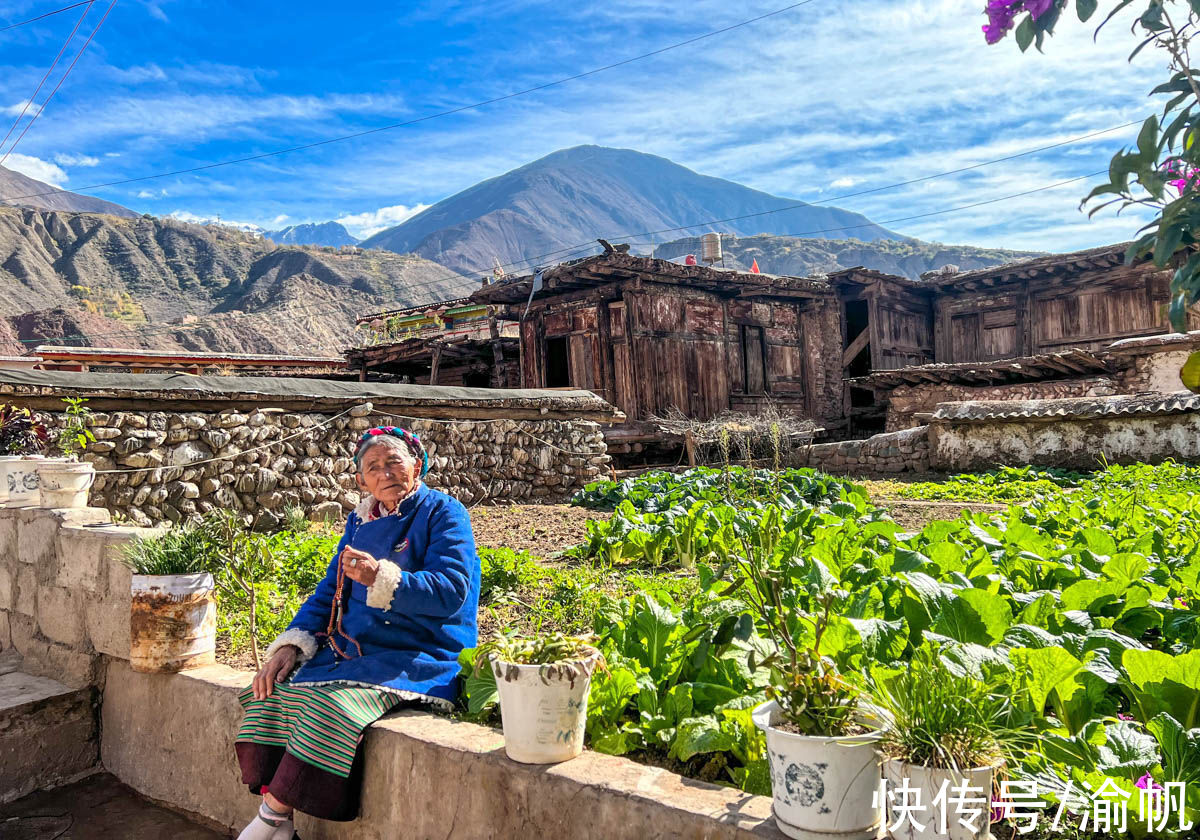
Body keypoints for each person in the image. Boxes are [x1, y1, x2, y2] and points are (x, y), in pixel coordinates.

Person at [232, 425, 480, 839]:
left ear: (416, 465)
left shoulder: (443, 512)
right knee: (269, 694)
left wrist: (378, 575)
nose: (385, 473)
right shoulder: (359, 521)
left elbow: (452, 589)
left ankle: (269, 820)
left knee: (332, 709)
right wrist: (291, 646)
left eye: (394, 462)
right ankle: (282, 827)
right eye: (373, 467)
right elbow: (329, 591)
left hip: (416, 653)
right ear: (361, 480)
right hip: (354, 652)